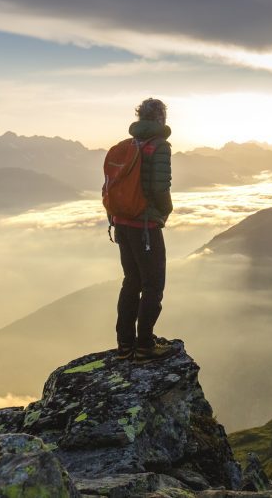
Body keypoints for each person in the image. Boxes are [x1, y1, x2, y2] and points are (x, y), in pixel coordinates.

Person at [110, 98, 175, 361]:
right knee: (153, 284)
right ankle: (145, 346)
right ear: (161, 118)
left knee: (131, 281)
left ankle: (125, 345)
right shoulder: (159, 147)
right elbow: (161, 188)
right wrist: (165, 212)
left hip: (122, 223)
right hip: (145, 226)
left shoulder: (126, 146)